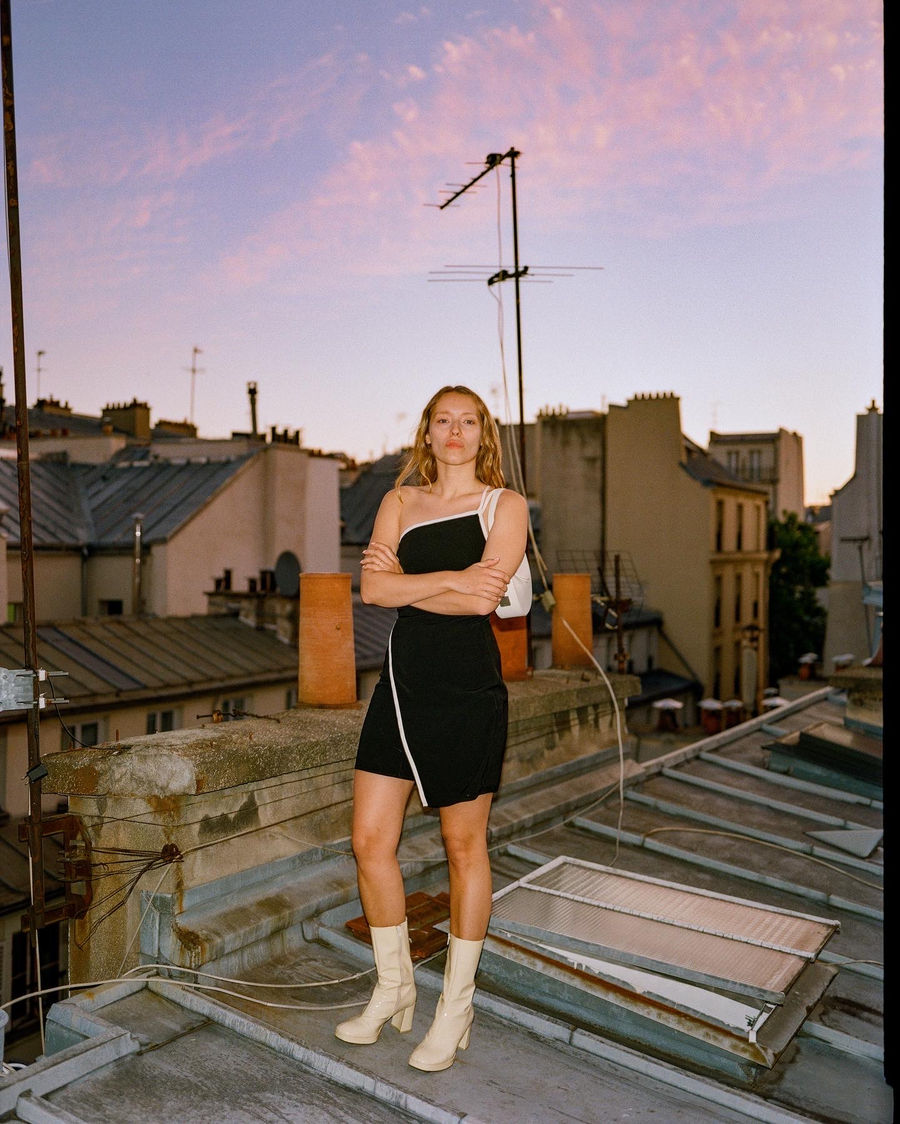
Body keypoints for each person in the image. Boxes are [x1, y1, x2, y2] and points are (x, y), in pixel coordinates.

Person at [335, 384, 528, 1072]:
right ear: (426, 432)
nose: (454, 431)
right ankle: (393, 987)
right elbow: (372, 591)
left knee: (463, 845)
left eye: (468, 421)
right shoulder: (398, 501)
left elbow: (484, 602)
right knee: (369, 841)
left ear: (483, 435)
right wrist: (454, 578)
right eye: (443, 420)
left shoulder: (504, 506)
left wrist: (416, 584)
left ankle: (455, 1007)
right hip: (401, 686)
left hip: (468, 691)